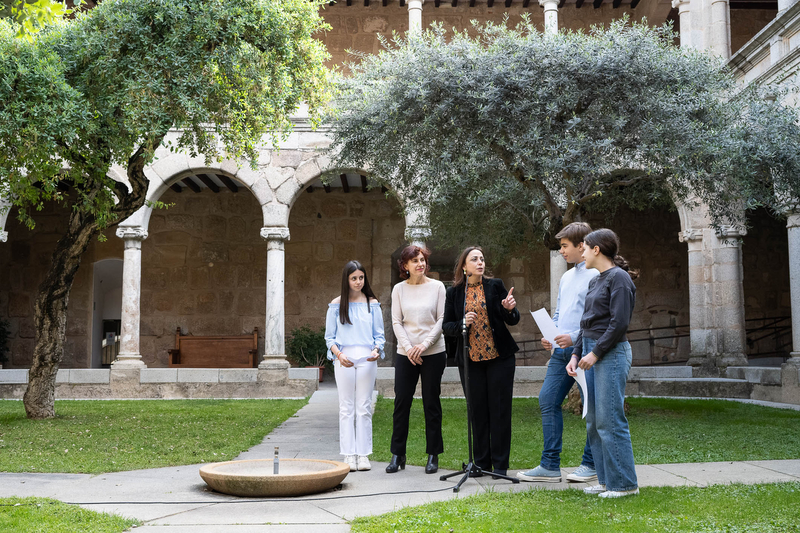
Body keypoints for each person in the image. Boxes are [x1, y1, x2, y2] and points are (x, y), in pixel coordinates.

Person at [518, 222, 599, 484]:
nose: (561, 251)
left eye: (565, 246)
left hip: (585, 351)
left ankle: (591, 463)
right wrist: (550, 336)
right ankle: (550, 466)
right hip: (560, 353)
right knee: (547, 400)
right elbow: (559, 312)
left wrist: (573, 338)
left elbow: (597, 319)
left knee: (593, 406)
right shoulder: (566, 277)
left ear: (581, 245)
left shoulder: (596, 275)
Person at [567, 228, 639, 498]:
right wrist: (576, 354)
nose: (581, 252)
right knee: (595, 422)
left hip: (610, 353)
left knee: (610, 420)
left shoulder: (619, 278)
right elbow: (586, 324)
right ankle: (607, 480)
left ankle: (625, 484)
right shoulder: (596, 280)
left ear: (597, 249)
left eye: (584, 247)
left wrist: (594, 353)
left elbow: (619, 323)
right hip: (590, 352)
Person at [443, 246, 519, 477]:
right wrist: (463, 322)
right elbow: (447, 327)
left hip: (499, 358)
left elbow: (513, 320)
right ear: (464, 266)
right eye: (474, 259)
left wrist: (509, 309)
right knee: (477, 412)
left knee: (499, 411)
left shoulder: (495, 285)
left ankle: (501, 466)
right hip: (471, 360)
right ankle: (481, 464)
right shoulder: (455, 292)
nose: (480, 262)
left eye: (482, 259)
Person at [386, 245, 447, 474]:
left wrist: (423, 345)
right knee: (401, 403)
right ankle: (397, 454)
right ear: (405, 266)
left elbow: (441, 320)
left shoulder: (438, 287)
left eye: (422, 260)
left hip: (433, 352)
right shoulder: (399, 290)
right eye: (415, 261)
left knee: (431, 403)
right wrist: (410, 348)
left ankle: (433, 455)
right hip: (406, 354)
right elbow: (396, 322)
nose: (420, 264)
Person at [325, 260, 385, 472]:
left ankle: (363, 454)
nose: (358, 282)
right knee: (346, 407)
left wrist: (377, 350)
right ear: (347, 280)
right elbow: (329, 338)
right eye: (354, 278)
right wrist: (339, 355)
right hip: (345, 359)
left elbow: (379, 335)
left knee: (364, 407)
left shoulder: (372, 303)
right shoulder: (336, 305)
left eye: (361, 278)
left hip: (367, 359)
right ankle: (349, 454)